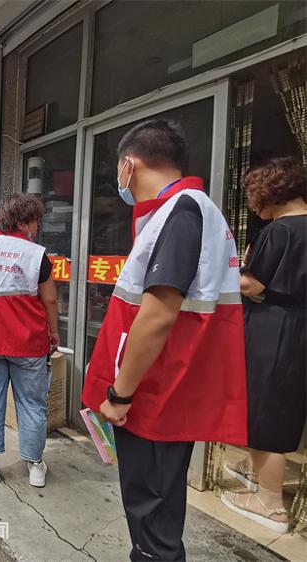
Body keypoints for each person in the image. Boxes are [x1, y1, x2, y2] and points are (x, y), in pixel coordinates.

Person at [81, 120, 247, 561]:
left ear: (127, 166)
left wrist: (119, 393)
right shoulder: (183, 211)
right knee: (155, 514)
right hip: (165, 388)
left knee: (152, 519)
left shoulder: (181, 211)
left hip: (157, 394)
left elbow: (158, 313)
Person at [221, 156, 307, 534]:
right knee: (284, 407)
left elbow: (250, 285)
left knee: (262, 410)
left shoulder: (280, 230)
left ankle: (270, 504)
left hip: (273, 329)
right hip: (300, 328)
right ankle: (259, 475)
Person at [0, 193, 59, 487]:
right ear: (22, 222)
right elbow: (51, 300)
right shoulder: (36, 254)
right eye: (35, 222)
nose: (37, 228)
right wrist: (53, 333)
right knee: (32, 404)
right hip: (28, 344)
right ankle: (34, 466)